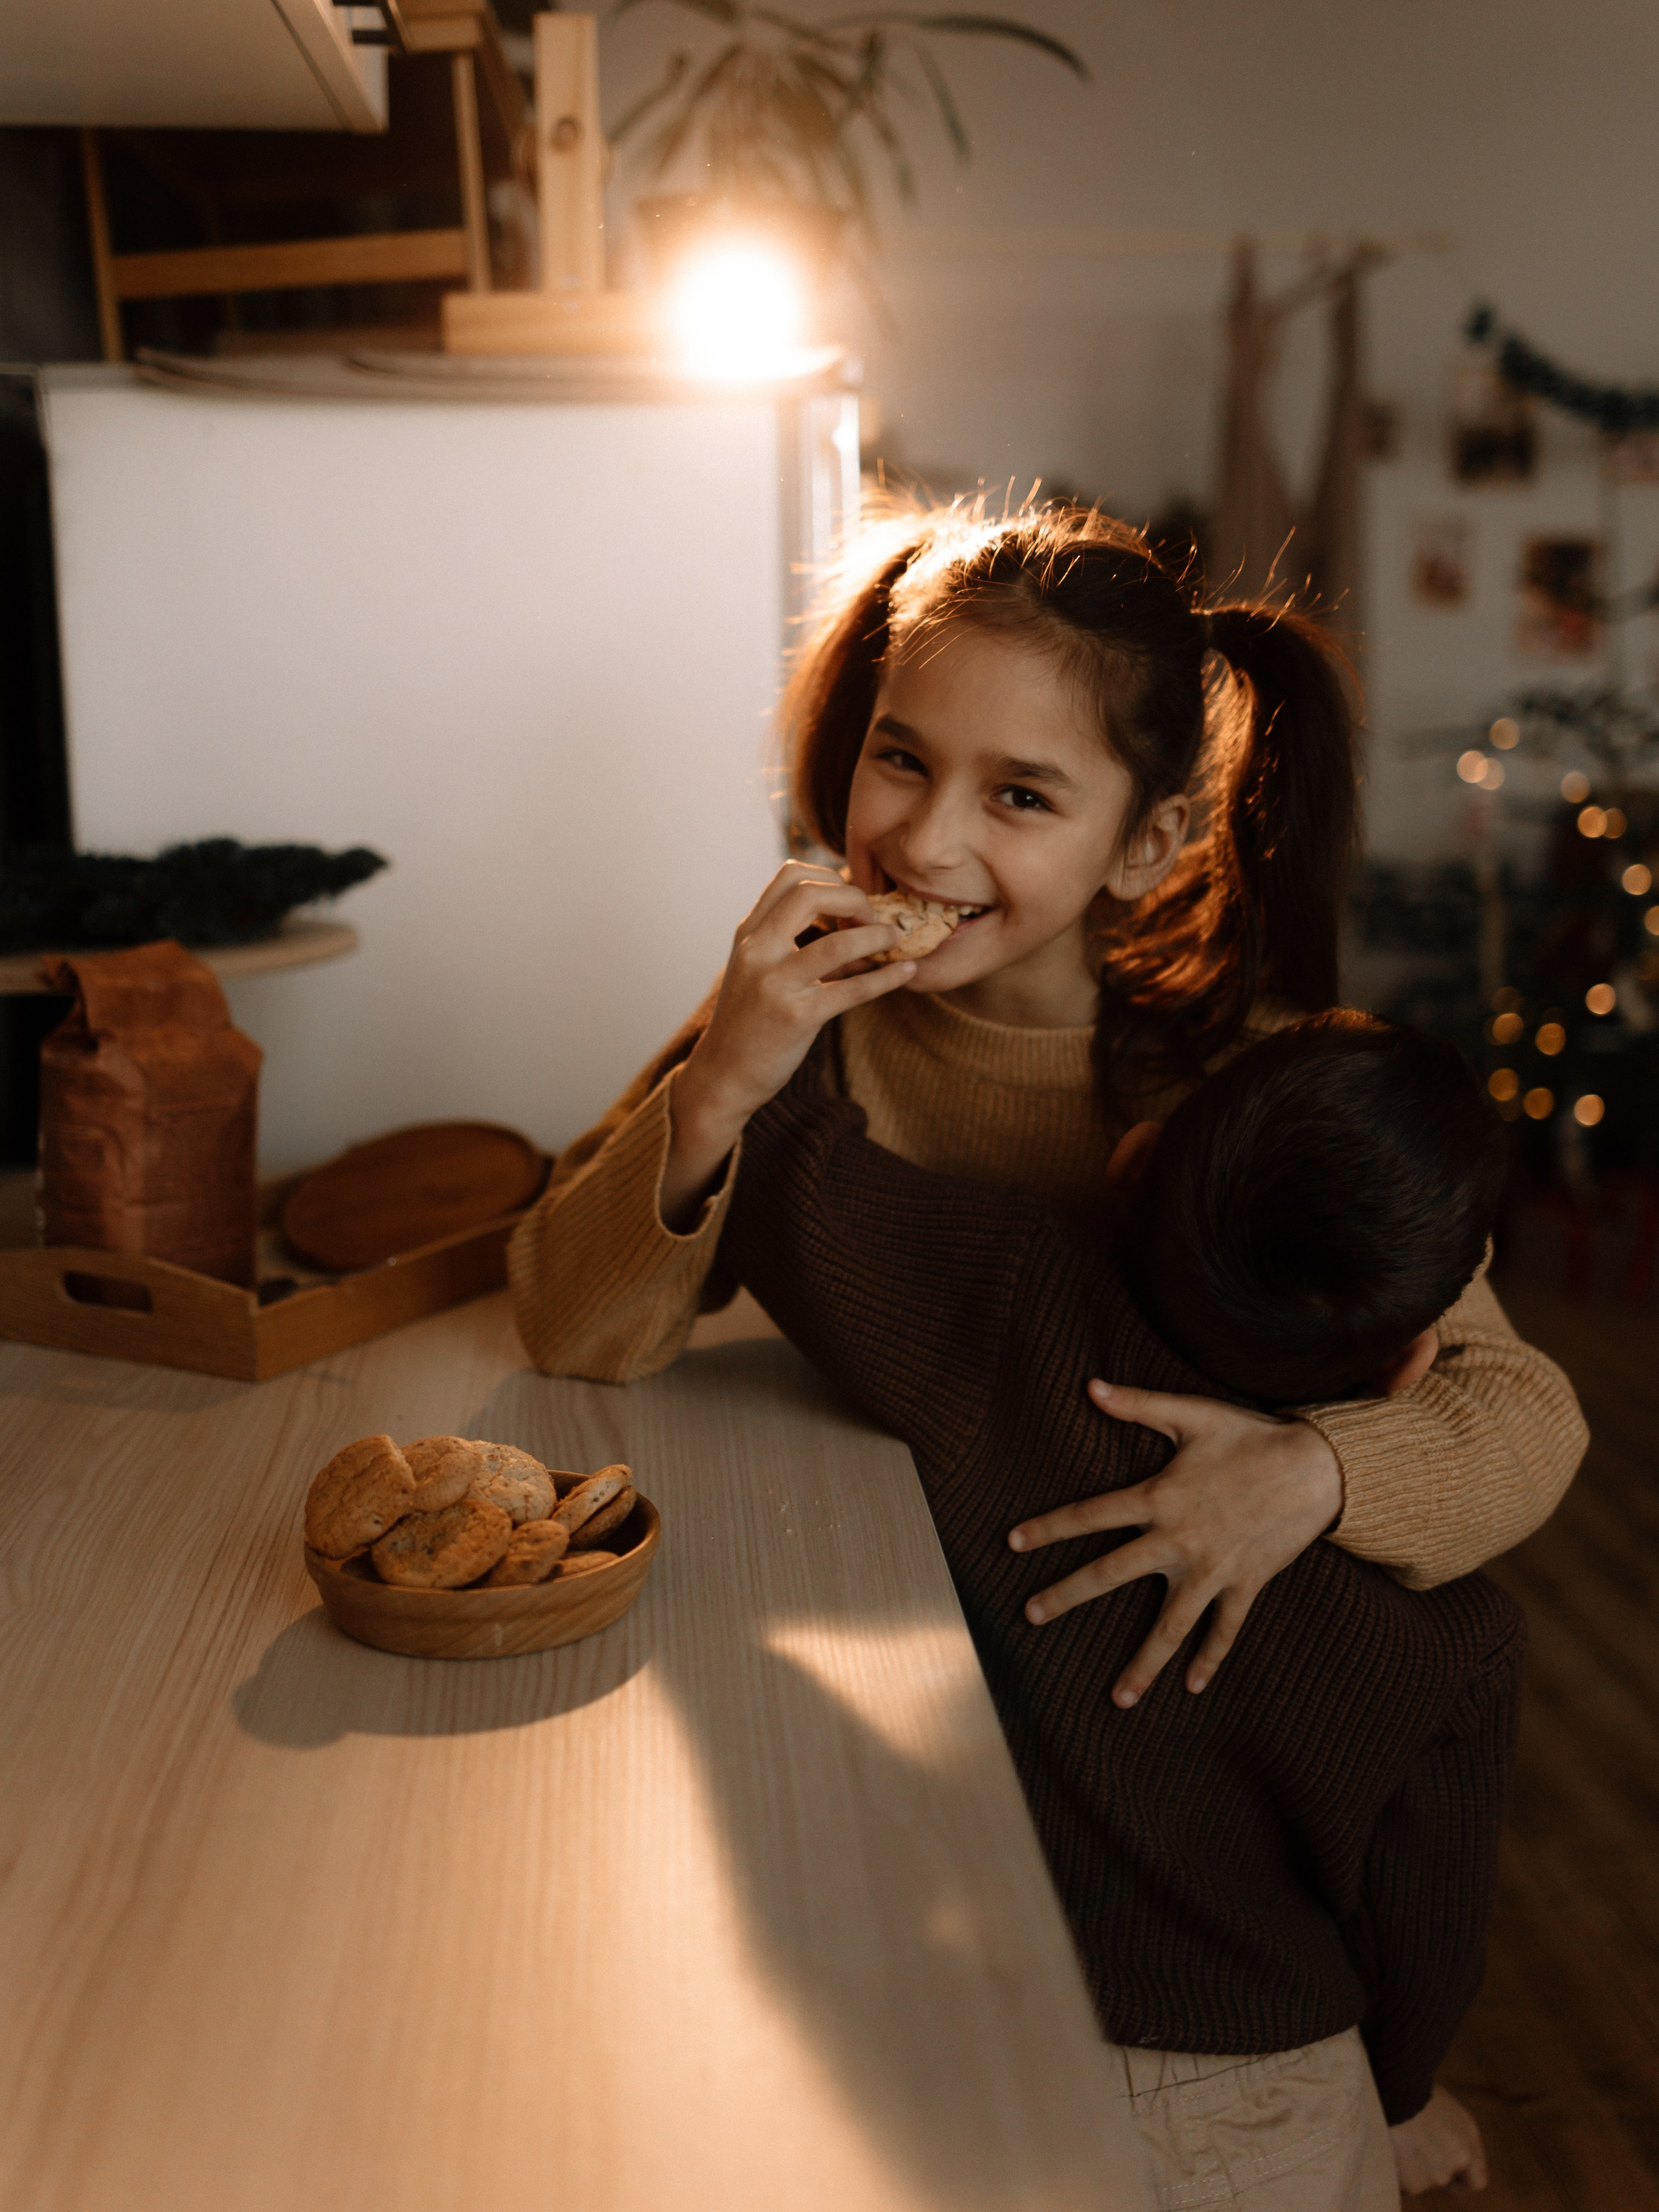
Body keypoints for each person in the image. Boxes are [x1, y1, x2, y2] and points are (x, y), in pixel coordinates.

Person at [509, 504, 1584, 1700]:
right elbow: (565, 1319)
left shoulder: (1247, 1078)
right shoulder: (803, 1012)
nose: (924, 841)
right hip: (868, 1608)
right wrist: (716, 1085)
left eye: (1021, 796)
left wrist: (1310, 1473)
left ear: (1146, 841)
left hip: (1129, 1681)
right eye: (902, 757)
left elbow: (1528, 1412)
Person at [717, 1016, 1530, 2209]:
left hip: (958, 2040)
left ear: (1133, 1162)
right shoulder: (1457, 1640)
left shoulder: (1004, 1297)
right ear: (1412, 1364)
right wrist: (1400, 2094)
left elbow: (776, 1154)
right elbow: (1428, 1940)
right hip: (1266, 2106)